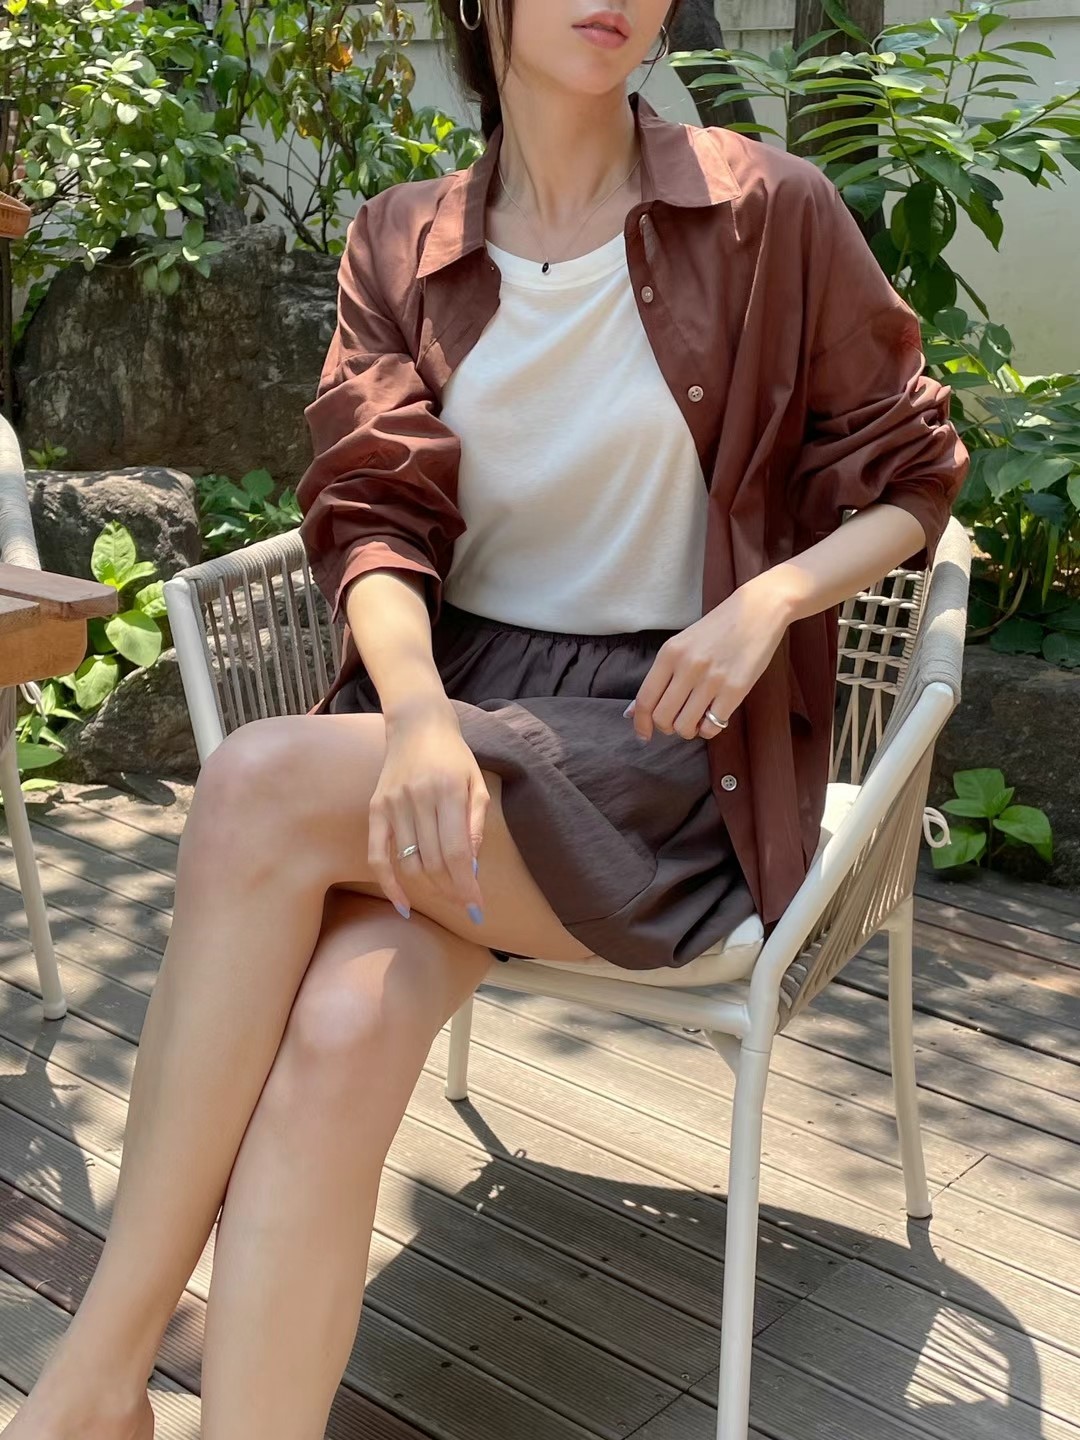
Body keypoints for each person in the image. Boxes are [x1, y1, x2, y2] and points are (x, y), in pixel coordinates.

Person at [6, 3, 967, 1439]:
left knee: (259, 781)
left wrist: (767, 604)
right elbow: (374, 521)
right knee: (343, 1027)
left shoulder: (767, 208)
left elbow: (918, 473)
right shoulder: (402, 240)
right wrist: (416, 719)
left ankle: (92, 1380)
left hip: (662, 743)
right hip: (453, 721)